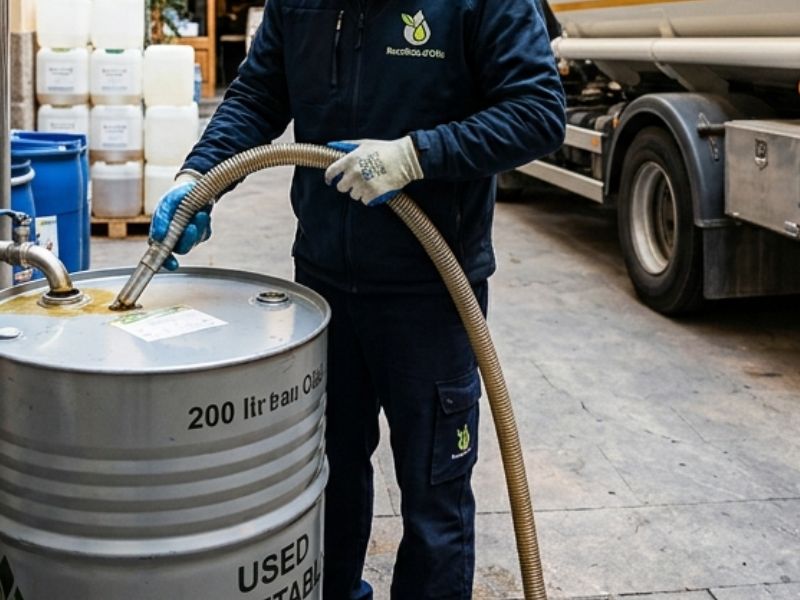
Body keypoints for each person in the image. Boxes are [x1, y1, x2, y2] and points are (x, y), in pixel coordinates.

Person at [150, 0, 565, 597]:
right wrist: (199, 177)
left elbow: (537, 112)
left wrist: (415, 155)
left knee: (432, 497)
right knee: (326, 472)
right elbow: (259, 93)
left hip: (431, 289)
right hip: (321, 285)